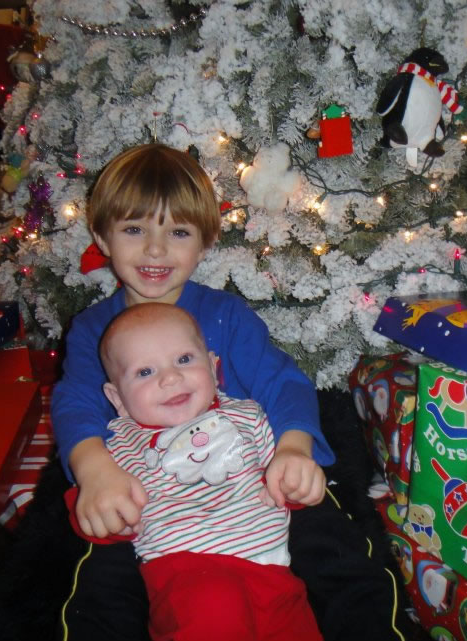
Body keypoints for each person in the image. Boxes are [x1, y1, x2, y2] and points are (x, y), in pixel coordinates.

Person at [52, 143, 404, 641]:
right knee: (101, 585)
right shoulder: (93, 329)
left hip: (254, 476)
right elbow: (75, 402)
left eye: (178, 232)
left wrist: (293, 450)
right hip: (151, 491)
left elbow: (283, 383)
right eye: (134, 230)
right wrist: (95, 471)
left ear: (205, 242)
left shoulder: (226, 315)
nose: (155, 250)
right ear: (102, 237)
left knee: (339, 557)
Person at [67, 302, 321, 640]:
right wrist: (110, 517)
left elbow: (283, 477)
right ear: (117, 398)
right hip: (186, 573)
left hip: (274, 572)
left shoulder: (248, 415)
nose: (171, 378)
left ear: (214, 369)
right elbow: (98, 506)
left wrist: (297, 482)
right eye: (145, 372)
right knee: (215, 608)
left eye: (184, 359)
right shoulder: (120, 445)